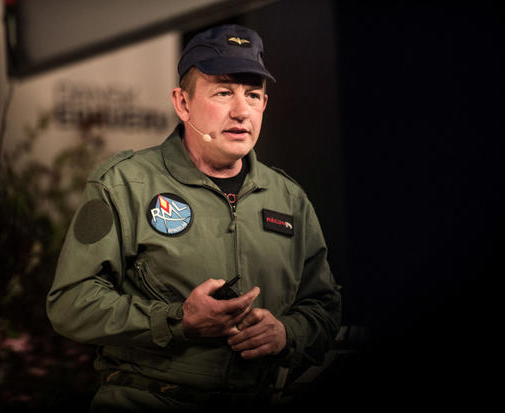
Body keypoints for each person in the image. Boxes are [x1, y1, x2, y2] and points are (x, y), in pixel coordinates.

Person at [47, 24, 341, 412]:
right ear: (182, 103)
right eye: (222, 92)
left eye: (253, 95)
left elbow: (324, 305)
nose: (241, 111)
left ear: (264, 106)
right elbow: (70, 302)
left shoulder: (289, 199)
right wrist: (177, 320)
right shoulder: (123, 184)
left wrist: (286, 333)